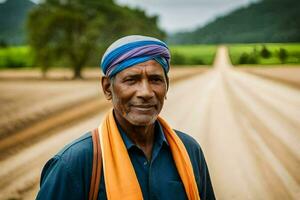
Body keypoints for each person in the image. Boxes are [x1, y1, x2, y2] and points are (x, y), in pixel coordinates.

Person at [36, 35, 215, 200]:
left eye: (155, 80)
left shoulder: (189, 150)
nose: (146, 92)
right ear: (107, 88)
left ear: (166, 86)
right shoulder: (74, 163)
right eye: (131, 80)